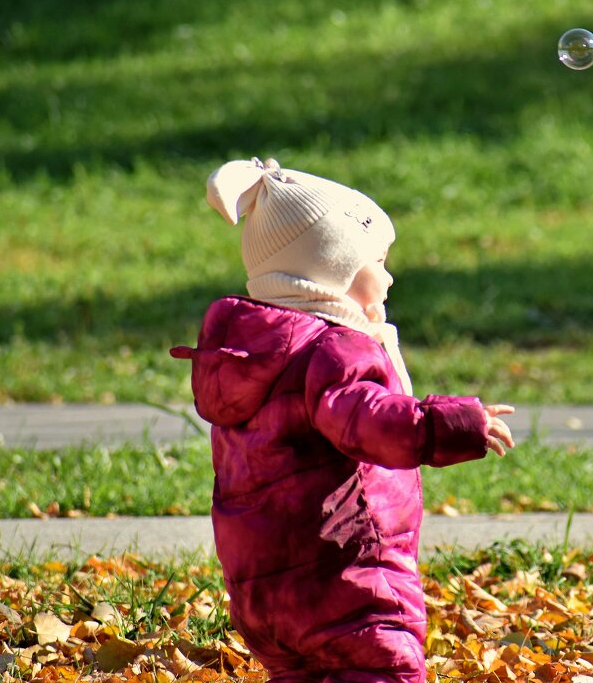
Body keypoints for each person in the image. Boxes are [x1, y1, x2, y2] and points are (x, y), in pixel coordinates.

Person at [170, 157, 514, 683]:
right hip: (345, 576)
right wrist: (452, 423)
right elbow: (369, 420)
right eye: (379, 258)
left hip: (261, 587)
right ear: (332, 269)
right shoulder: (333, 353)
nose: (390, 273)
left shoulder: (250, 353)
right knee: (382, 670)